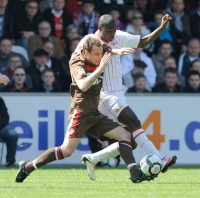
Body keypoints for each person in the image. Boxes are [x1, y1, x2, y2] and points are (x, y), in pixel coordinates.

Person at [15, 36, 153, 184]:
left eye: (101, 54)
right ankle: (27, 167)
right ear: (86, 53)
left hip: (95, 113)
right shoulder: (77, 63)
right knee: (66, 151)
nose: (100, 57)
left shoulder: (98, 52)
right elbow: (83, 85)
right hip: (80, 113)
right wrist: (100, 69)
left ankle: (134, 172)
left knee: (127, 137)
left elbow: (107, 50)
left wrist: (116, 52)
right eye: (96, 54)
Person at [72, 14, 177, 180]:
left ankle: (93, 158)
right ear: (99, 29)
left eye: (114, 30)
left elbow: (143, 42)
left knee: (130, 139)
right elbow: (78, 58)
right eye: (109, 31)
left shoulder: (118, 36)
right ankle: (160, 159)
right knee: (134, 122)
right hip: (103, 95)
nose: (112, 34)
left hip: (117, 93)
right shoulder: (89, 40)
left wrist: (161, 28)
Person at [0, 96, 18, 167]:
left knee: (12, 135)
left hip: (0, 128)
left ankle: (10, 162)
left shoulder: (0, 100)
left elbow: (5, 117)